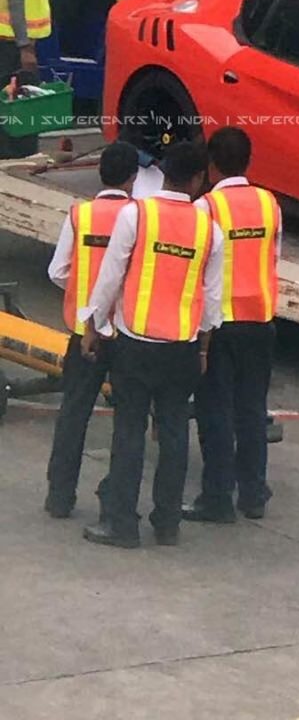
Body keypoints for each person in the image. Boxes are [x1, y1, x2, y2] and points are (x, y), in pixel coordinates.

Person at [79, 141, 223, 548]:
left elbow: (110, 278)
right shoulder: (208, 230)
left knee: (129, 432)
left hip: (135, 344)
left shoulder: (136, 215)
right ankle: (167, 523)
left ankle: (122, 524)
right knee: (175, 432)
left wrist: (93, 325)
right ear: (199, 180)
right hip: (181, 346)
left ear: (162, 172)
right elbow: (212, 300)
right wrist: (203, 348)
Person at [184, 127, 281, 523]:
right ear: (248, 161)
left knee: (215, 411)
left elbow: (197, 268)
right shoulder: (268, 203)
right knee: (252, 410)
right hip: (260, 318)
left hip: (219, 323)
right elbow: (274, 255)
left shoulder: (206, 208)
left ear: (211, 165)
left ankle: (217, 497)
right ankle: (254, 493)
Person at [44, 141, 140, 519]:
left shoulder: (80, 215)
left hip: (84, 331)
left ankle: (60, 496)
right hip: (128, 332)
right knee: (128, 418)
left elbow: (57, 271)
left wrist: (83, 297)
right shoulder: (139, 217)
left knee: (73, 413)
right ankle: (115, 496)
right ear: (134, 178)